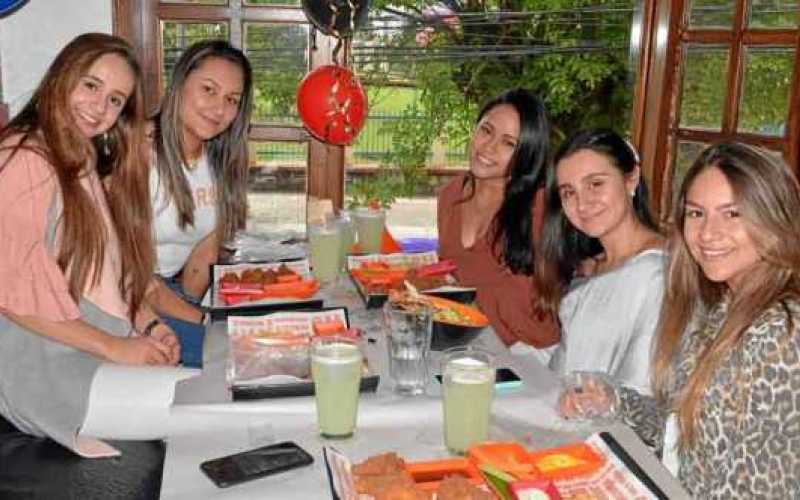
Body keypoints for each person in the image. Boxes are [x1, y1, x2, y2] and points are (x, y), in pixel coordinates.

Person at [0, 33, 180, 453]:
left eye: (116, 100)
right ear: (62, 77)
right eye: (91, 85)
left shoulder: (79, 160)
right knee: (204, 414)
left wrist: (150, 325)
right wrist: (117, 347)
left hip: (88, 352)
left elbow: (107, 274)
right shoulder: (24, 158)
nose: (100, 108)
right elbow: (9, 295)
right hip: (45, 370)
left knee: (214, 399)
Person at [649, 143, 800, 497]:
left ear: (775, 220)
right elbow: (685, 428)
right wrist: (613, 400)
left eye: (732, 214)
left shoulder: (780, 332)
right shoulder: (728, 306)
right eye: (696, 213)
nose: (707, 234)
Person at [145, 40, 253, 366]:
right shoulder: (139, 150)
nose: (219, 109)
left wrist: (193, 308)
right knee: (229, 360)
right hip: (125, 299)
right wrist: (203, 322)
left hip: (168, 294)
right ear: (179, 83)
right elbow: (130, 278)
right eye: (208, 89)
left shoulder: (220, 159)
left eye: (232, 100)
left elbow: (203, 255)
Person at [538, 129, 664, 395]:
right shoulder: (590, 267)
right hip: (565, 407)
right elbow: (568, 363)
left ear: (631, 179)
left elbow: (642, 385)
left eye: (595, 184)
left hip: (615, 429)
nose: (582, 204)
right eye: (569, 192)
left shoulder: (658, 274)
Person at [437, 88, 559, 348]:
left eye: (509, 143)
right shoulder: (450, 194)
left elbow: (536, 309)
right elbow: (450, 279)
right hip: (465, 337)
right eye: (486, 130)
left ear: (527, 154)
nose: (488, 148)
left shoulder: (539, 207)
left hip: (525, 349)